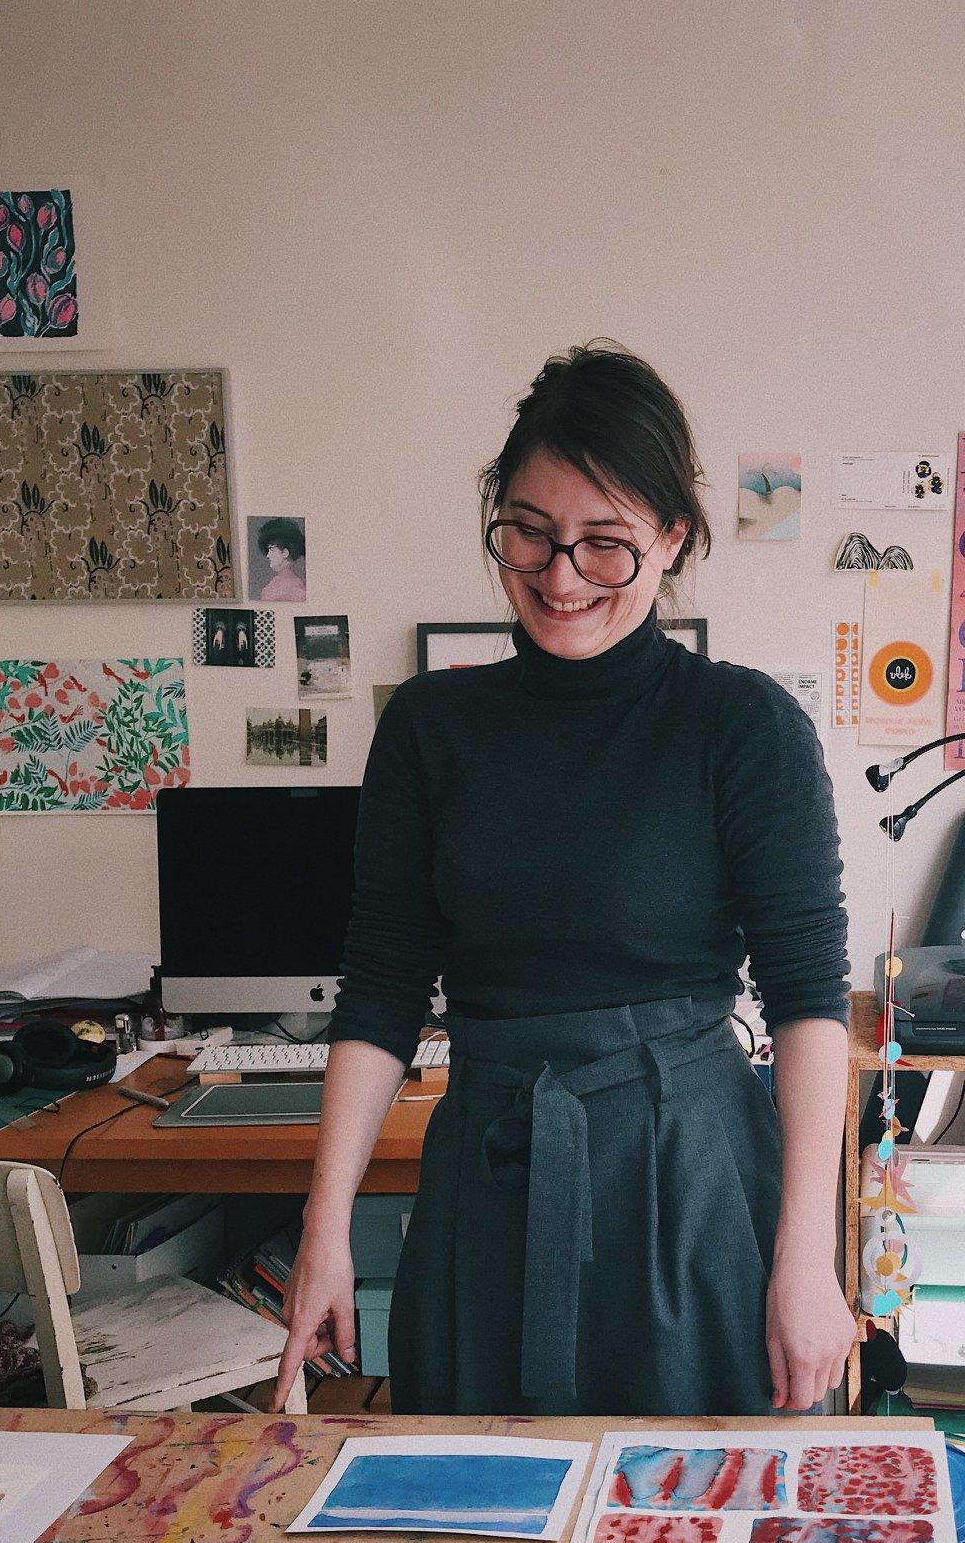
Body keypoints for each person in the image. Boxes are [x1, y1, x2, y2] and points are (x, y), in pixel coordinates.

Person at [274, 343, 857, 1418]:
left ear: (672, 539)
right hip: (487, 1177)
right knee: (475, 1523)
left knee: (689, 1528)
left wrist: (807, 1255)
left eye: (606, 546)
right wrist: (323, 1231)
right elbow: (383, 984)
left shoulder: (740, 727)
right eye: (530, 535)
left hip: (687, 1181)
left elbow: (810, 998)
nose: (559, 577)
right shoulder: (428, 730)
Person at [256, 516, 306, 601]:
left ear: (285, 553)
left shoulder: (294, 589)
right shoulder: (277, 582)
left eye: (271, 549)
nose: (268, 555)